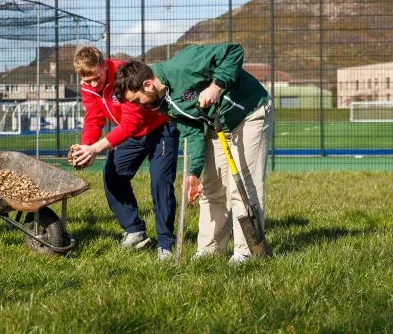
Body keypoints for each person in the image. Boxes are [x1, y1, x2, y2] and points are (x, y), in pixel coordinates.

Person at [114, 43, 273, 264]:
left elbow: (233, 51)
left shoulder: (185, 64)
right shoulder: (162, 104)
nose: (139, 106)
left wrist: (216, 86)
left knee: (242, 187)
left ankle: (245, 251)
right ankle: (209, 251)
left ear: (148, 85)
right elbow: (193, 130)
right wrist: (194, 172)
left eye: (136, 100)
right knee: (212, 188)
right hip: (216, 126)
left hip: (249, 114)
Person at [68, 46, 180, 261]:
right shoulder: (89, 86)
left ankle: (166, 243)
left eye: (95, 78)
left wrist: (96, 148)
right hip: (130, 134)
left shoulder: (124, 75)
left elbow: (131, 122)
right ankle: (135, 230)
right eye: (86, 81)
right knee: (113, 176)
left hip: (160, 129)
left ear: (104, 65)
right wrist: (85, 147)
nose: (92, 84)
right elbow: (93, 119)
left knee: (160, 183)